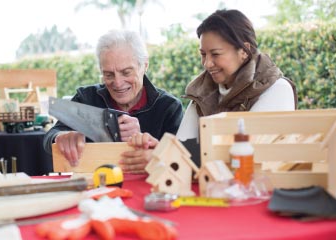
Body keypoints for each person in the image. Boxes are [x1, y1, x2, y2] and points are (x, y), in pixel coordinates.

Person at [125, 9, 298, 172]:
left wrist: (166, 156)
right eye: (203, 54)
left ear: (244, 51)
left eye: (215, 54)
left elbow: (243, 156)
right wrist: (161, 150)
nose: (207, 63)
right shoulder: (201, 93)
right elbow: (182, 145)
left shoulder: (277, 90)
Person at [43, 29, 183, 170]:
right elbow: (50, 137)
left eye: (126, 72)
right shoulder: (86, 98)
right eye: (109, 75)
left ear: (144, 66)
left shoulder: (168, 107)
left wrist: (157, 156)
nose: (118, 83)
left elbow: (180, 159)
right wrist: (61, 137)